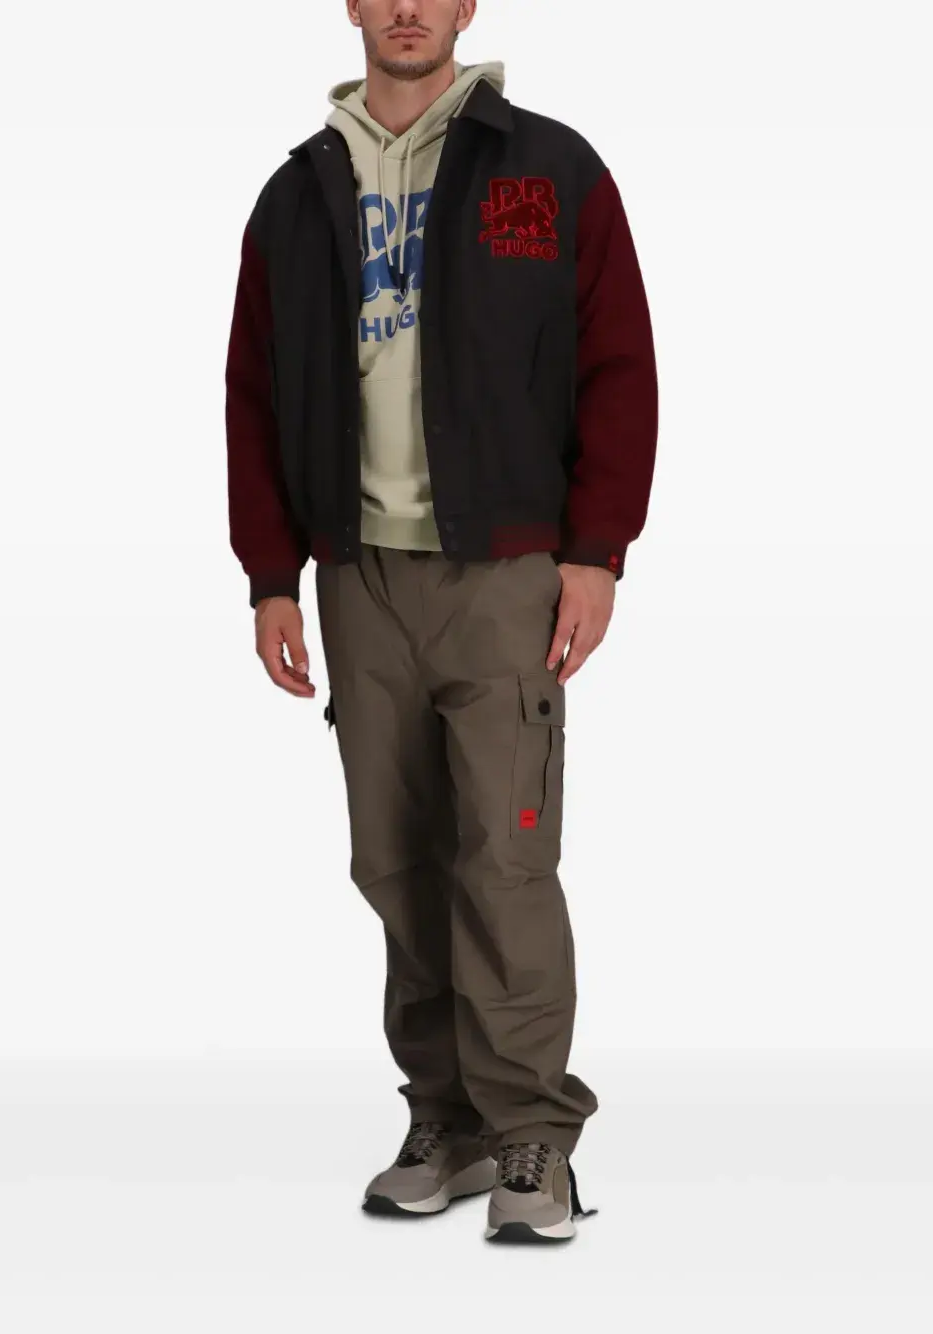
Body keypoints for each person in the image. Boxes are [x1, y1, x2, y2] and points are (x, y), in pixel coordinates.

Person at [224, 0, 658, 1246]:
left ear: (466, 4)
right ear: (353, 6)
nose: (406, 7)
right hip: (357, 574)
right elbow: (252, 388)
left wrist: (595, 549)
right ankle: (448, 1117)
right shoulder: (295, 195)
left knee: (502, 857)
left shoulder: (548, 168)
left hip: (505, 570)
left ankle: (532, 1131)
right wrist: (270, 572)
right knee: (393, 857)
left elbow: (617, 360)